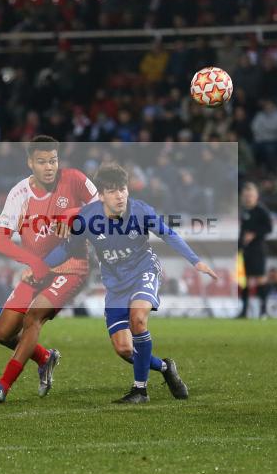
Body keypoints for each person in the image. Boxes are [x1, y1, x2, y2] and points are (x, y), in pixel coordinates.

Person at [31, 163, 217, 404]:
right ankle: (165, 368)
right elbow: (67, 248)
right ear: (100, 195)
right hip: (115, 284)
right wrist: (39, 265)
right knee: (124, 349)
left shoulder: (140, 211)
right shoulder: (87, 218)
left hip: (144, 270)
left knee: (138, 319)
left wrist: (196, 261)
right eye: (112, 191)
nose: (119, 195)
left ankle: (140, 390)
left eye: (122, 189)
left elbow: (168, 233)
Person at [0, 136, 99, 404]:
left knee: (33, 317)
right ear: (30, 163)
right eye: (42, 162)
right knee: (2, 334)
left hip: (71, 267)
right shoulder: (19, 193)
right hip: (38, 270)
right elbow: (0, 239)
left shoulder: (75, 179)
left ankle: (3, 386)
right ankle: (46, 358)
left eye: (53, 161)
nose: (49, 167)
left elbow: (104, 205)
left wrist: (75, 212)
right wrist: (33, 263)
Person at [239, 182, 274, 318]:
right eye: (246, 195)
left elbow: (269, 228)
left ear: (256, 196)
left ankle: (263, 311)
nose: (248, 198)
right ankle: (244, 312)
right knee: (245, 281)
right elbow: (241, 232)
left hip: (258, 249)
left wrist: (254, 233)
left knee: (260, 279)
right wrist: (239, 248)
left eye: (251, 195)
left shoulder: (262, 211)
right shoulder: (244, 212)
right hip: (245, 251)